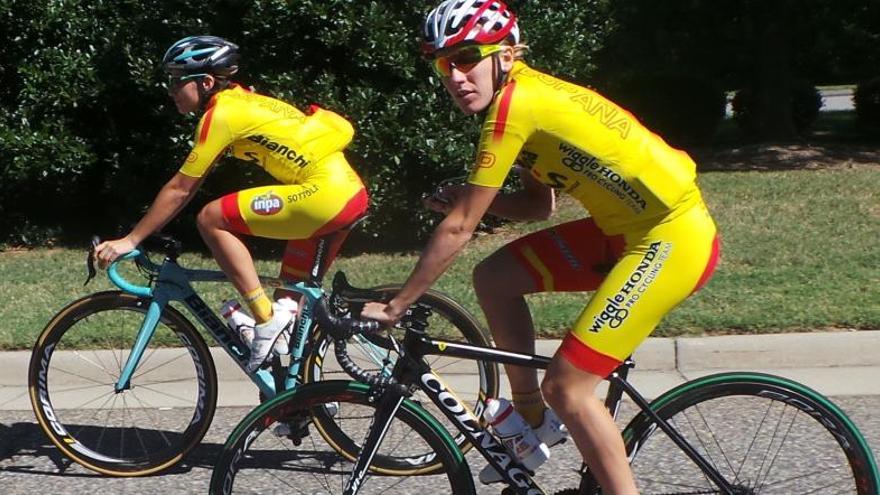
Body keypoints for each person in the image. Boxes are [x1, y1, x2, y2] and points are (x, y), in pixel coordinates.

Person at [361, 1, 720, 493]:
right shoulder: (523, 97)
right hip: (625, 231)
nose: (455, 75)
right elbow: (538, 207)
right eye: (444, 63)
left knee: (568, 387)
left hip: (672, 237)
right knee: (495, 278)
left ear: (506, 55)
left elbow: (458, 229)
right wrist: (470, 201)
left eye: (466, 56)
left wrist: (398, 305)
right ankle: (530, 421)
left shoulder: (516, 109)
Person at [95, 36, 368, 372]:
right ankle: (296, 405)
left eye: (177, 80)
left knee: (210, 218)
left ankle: (262, 320)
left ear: (206, 82)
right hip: (346, 195)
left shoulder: (222, 115)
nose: (170, 90)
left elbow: (182, 188)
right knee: (290, 306)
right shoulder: (245, 103)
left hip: (323, 196)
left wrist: (131, 240)